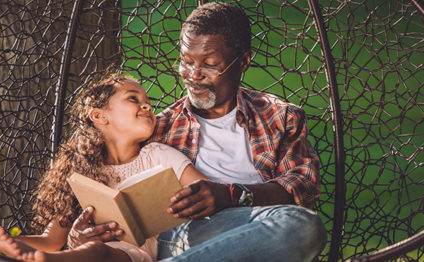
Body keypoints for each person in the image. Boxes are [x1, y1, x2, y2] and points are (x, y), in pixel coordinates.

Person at [66, 2, 327, 261]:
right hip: (183, 237)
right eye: (186, 61)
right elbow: (104, 180)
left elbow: (301, 187)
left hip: (254, 231)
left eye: (210, 64)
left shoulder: (279, 117)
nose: (194, 75)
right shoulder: (159, 128)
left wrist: (232, 195)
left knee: (302, 226)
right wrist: (79, 234)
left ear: (244, 61)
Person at [0, 71, 212, 262]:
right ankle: (23, 254)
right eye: (133, 98)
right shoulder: (83, 172)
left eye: (148, 102)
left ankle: (40, 260)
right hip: (83, 255)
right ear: (100, 116)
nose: (146, 104)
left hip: (135, 255)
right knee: (91, 251)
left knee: (98, 252)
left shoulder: (160, 155)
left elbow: (209, 192)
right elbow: (52, 240)